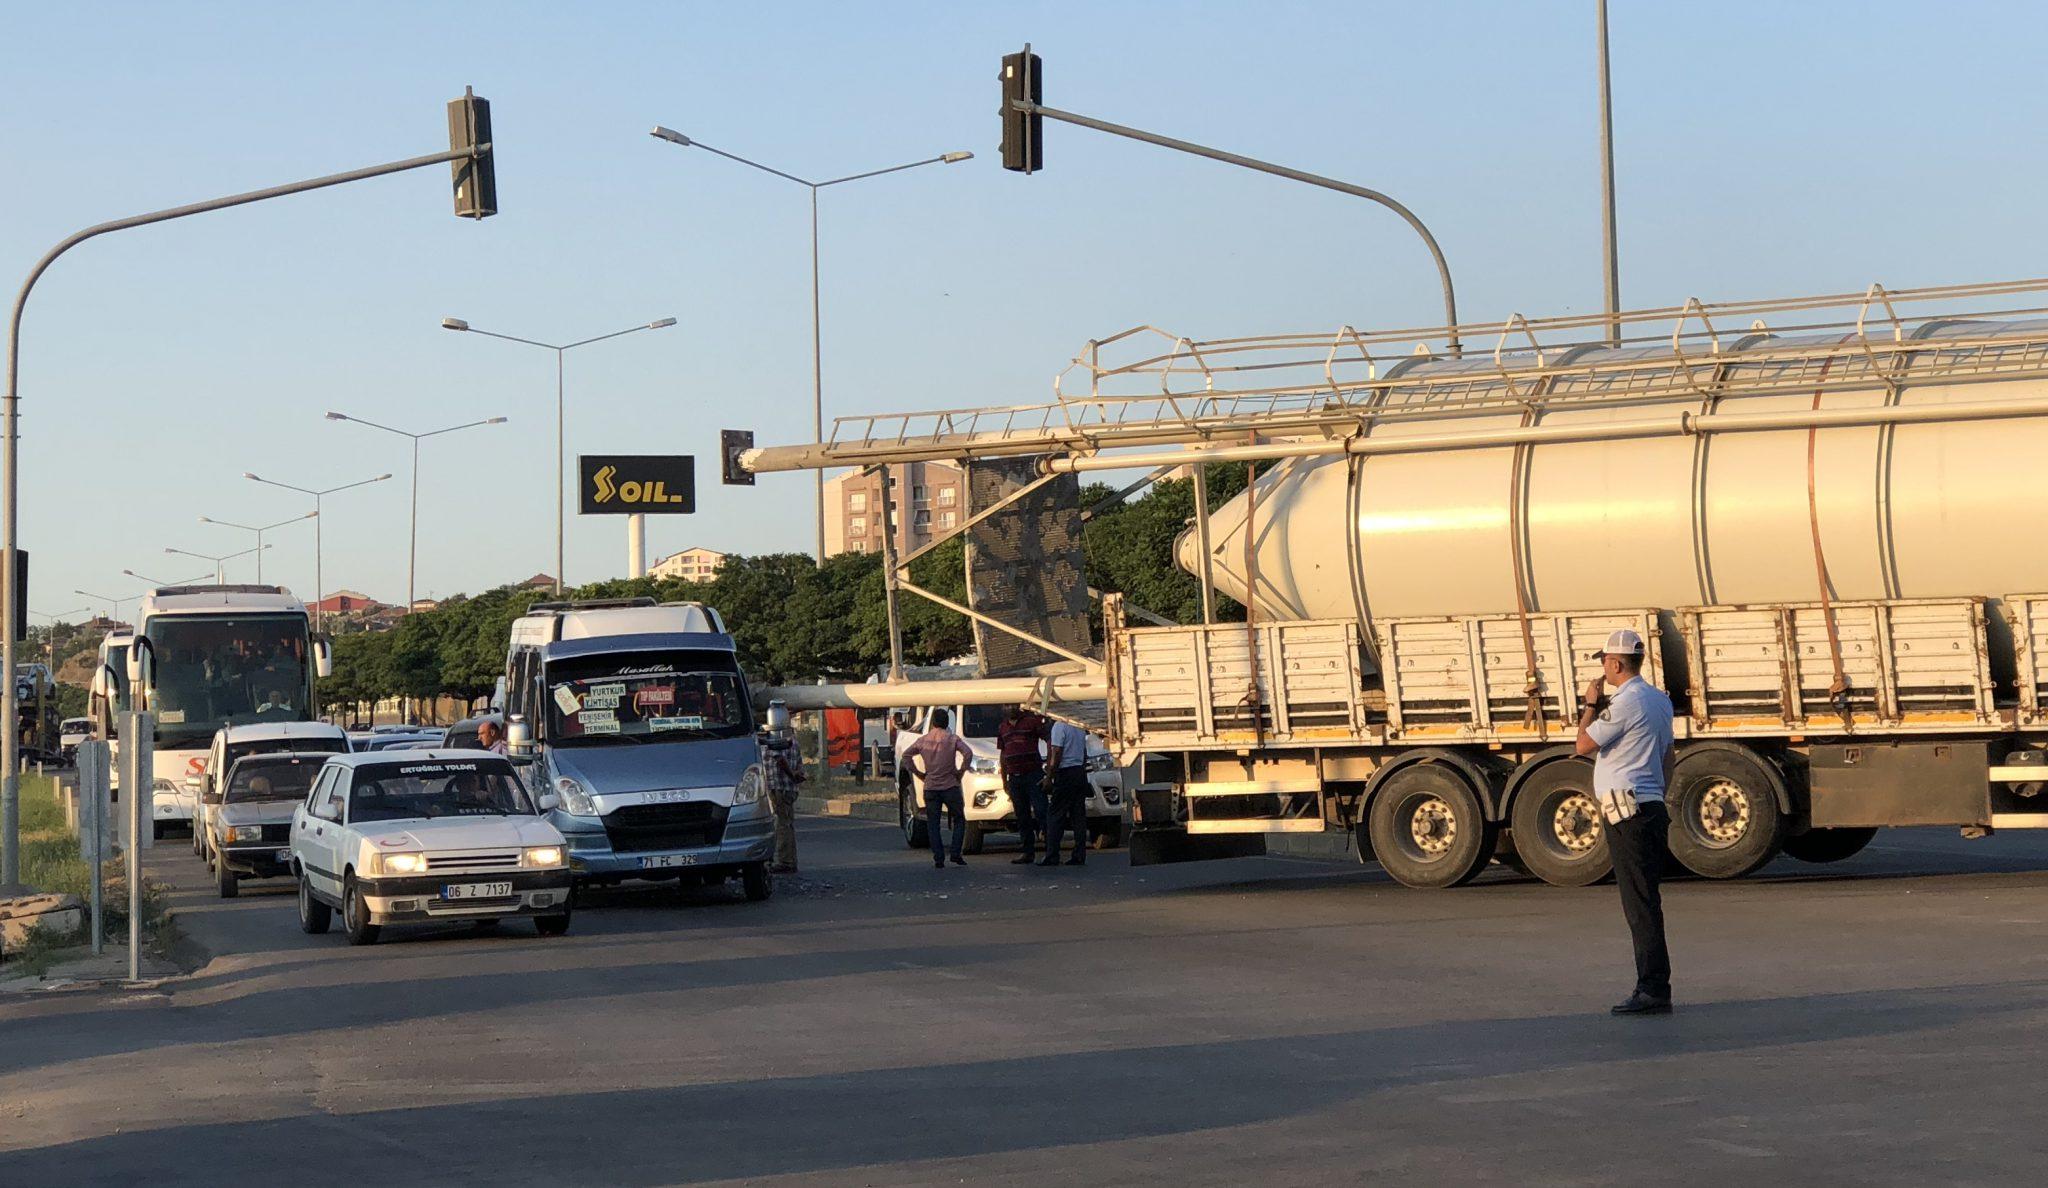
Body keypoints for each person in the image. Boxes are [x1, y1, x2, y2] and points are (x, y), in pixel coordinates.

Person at [1575, 627, 1677, 1016]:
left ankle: (1652, 989)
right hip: (1649, 806)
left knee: (1639, 905)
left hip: (1627, 812)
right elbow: (1668, 754)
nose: (1603, 668)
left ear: (1616, 663)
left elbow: (1583, 745)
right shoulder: (1659, 701)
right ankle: (1655, 985)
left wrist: (1589, 705)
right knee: (1647, 900)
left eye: (1604, 661)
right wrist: (1658, 789)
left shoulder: (1624, 703)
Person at [903, 708, 973, 868]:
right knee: (959, 819)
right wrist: (961, 771)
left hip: (931, 786)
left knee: (933, 824)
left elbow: (906, 755)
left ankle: (938, 857)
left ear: (933, 722)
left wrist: (919, 773)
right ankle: (955, 853)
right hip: (950, 785)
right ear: (947, 722)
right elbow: (968, 753)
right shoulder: (952, 739)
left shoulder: (923, 740)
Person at [997, 703, 1050, 864]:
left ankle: (1050, 849)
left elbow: (1048, 738)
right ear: (1003, 708)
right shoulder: (1002, 728)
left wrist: (1049, 762)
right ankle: (1028, 851)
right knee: (1022, 816)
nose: (1011, 708)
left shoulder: (1031, 722)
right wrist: (1004, 780)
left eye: (1013, 704)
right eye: (1007, 705)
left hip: (1033, 774)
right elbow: (1003, 754)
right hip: (1015, 778)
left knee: (1042, 811)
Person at [1039, 716, 1092, 867]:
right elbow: (1084, 752)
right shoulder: (1079, 726)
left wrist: (1050, 776)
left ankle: (1052, 854)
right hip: (1078, 772)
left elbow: (1056, 751)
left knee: (1055, 815)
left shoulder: (1059, 727)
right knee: (1078, 816)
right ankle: (1079, 854)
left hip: (1065, 773)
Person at [760, 702, 804, 874]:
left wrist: (792, 775)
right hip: (788, 788)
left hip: (777, 786)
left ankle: (785, 861)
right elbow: (799, 765)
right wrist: (796, 776)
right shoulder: (793, 739)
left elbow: (780, 759)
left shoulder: (774, 739)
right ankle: (788, 859)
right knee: (786, 823)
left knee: (781, 825)